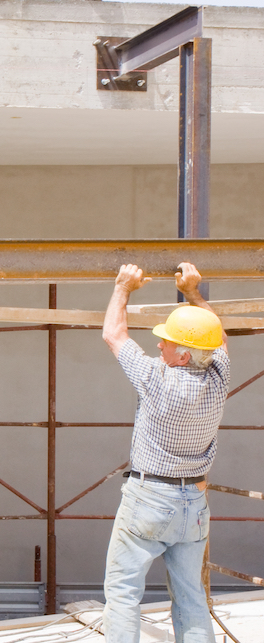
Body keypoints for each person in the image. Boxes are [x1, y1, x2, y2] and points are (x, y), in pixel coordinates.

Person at [101, 262, 229, 642]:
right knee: (191, 596)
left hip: (150, 497)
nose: (159, 344)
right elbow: (217, 337)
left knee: (123, 592)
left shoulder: (155, 378)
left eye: (167, 342)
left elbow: (113, 333)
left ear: (184, 356)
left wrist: (123, 287)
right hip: (195, 502)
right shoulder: (219, 377)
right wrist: (193, 292)